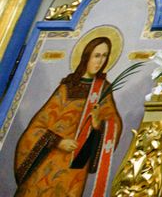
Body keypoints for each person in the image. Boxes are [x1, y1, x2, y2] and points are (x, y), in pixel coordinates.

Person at [14, 35, 123, 197]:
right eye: (96, 56)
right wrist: (58, 141)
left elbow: (113, 124)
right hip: (49, 160)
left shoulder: (103, 90)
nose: (100, 61)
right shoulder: (67, 87)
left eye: (104, 56)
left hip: (75, 165)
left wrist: (98, 125)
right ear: (86, 57)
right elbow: (37, 126)